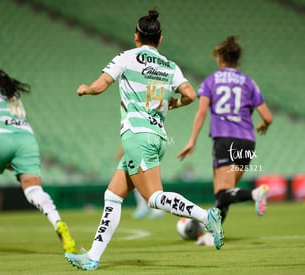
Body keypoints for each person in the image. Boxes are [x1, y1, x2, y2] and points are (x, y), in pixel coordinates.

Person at [64, 10, 224, 271]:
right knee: (113, 196)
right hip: (157, 136)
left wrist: (86, 89)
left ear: (136, 36)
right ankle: (92, 257)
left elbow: (102, 84)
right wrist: (174, 104)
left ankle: (206, 216)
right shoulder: (170, 66)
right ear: (160, 39)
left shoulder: (127, 57)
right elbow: (191, 95)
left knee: (153, 198)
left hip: (137, 136)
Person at [0, 63, 75, 253]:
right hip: (26, 139)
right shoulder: (11, 92)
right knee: (34, 189)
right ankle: (57, 221)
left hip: (0, 136)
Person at [178, 36, 272, 246]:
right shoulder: (249, 82)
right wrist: (263, 125)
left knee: (222, 192)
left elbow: (201, 112)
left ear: (220, 59)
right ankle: (213, 235)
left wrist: (192, 140)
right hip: (248, 141)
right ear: (237, 60)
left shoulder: (211, 80)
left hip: (225, 139)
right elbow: (268, 117)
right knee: (226, 194)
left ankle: (256, 193)